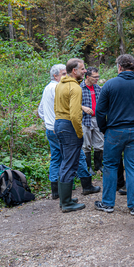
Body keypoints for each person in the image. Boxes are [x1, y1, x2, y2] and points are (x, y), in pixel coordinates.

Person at [94, 54, 134, 216]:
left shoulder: (110, 84)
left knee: (110, 166)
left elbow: (100, 110)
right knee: (133, 166)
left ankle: (108, 203)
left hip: (114, 130)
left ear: (119, 67)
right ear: (133, 66)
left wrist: (103, 128)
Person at [54, 58, 88, 212]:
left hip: (59, 124)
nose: (85, 71)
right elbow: (75, 115)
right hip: (69, 126)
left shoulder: (60, 85)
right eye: (82, 69)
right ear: (74, 71)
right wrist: (79, 133)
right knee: (70, 163)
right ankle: (67, 203)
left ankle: (64, 199)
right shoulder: (75, 88)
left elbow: (56, 107)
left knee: (65, 162)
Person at [38, 64, 66, 199]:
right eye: (64, 74)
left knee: (56, 158)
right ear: (55, 76)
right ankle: (64, 190)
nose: (66, 77)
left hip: (50, 128)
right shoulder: (57, 88)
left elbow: (40, 111)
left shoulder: (47, 88)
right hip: (59, 128)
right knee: (67, 157)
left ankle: (55, 191)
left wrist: (48, 121)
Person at [80, 67, 104, 174]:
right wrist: (83, 107)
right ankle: (88, 166)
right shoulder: (80, 88)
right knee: (86, 145)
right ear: (87, 77)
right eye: (95, 77)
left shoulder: (98, 88)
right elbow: (73, 103)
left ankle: (98, 166)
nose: (97, 79)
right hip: (85, 119)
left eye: (98, 76)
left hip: (97, 119)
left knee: (99, 143)